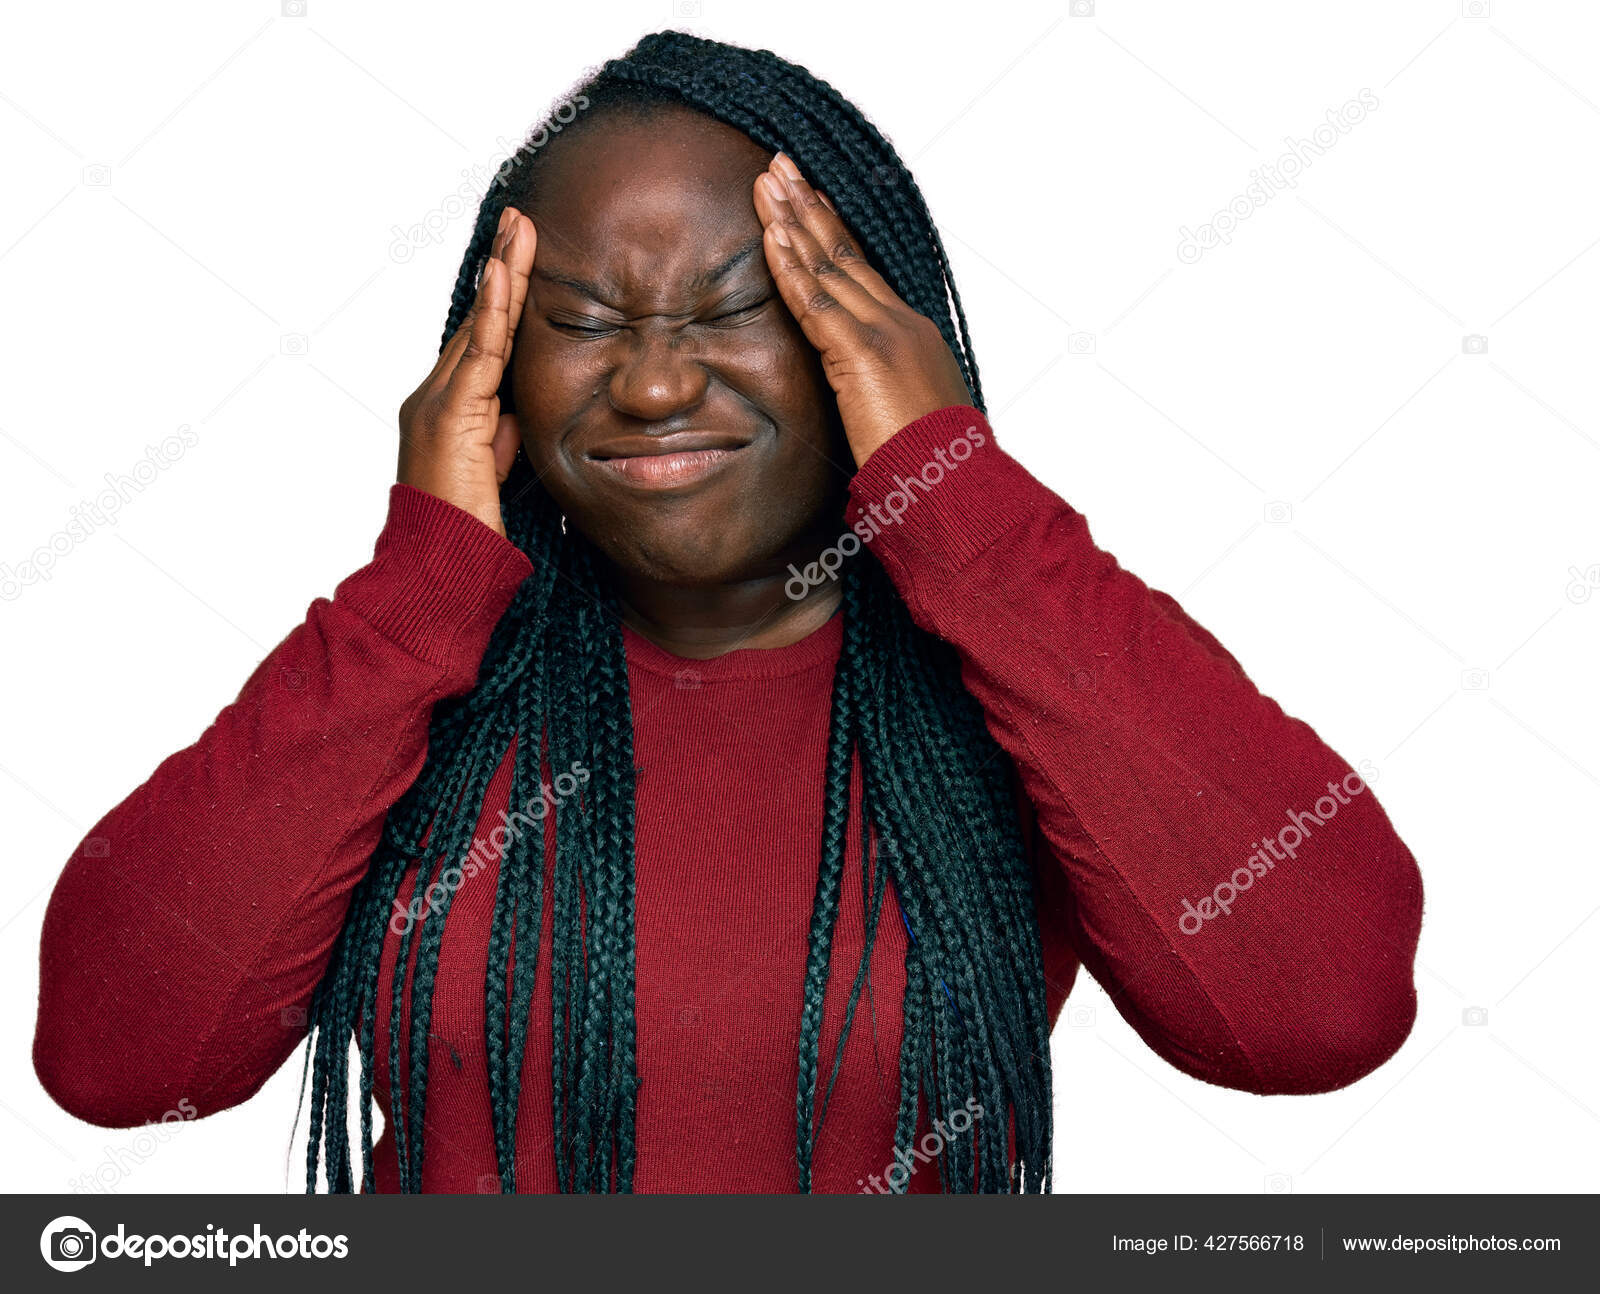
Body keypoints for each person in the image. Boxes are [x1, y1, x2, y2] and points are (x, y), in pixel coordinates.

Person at [33, 30, 1424, 1194]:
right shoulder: (412, 683)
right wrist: (419, 588)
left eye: (734, 308)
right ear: (492, 369)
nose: (649, 386)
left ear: (870, 344)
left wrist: (960, 503)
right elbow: (118, 1061)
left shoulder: (1009, 678)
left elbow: (1317, 1014)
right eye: (579, 320)